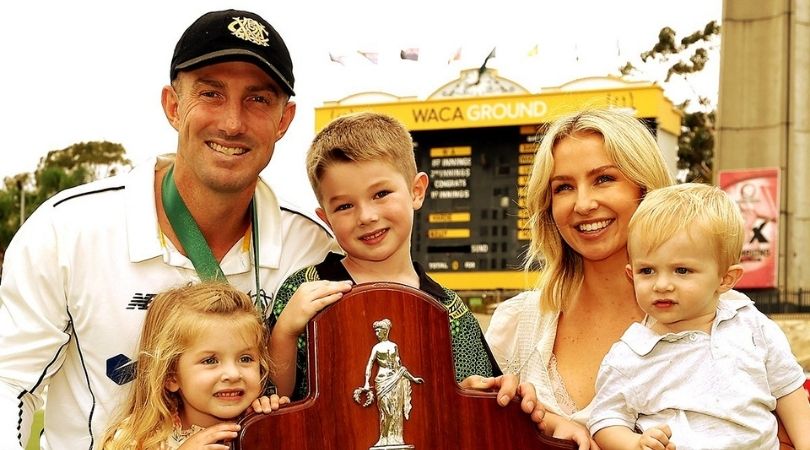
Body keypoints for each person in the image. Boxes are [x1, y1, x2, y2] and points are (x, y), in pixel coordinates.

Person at [0, 9, 338, 450]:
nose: (232, 122)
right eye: (211, 94)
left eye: (258, 99)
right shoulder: (68, 229)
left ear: (284, 119)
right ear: (173, 106)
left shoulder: (310, 246)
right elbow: (11, 383)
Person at [267, 111, 543, 420]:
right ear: (325, 217)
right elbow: (273, 401)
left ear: (417, 190)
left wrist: (481, 391)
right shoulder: (305, 291)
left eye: (381, 194)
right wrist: (285, 333)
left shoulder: (449, 310)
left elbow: (473, 395)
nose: (366, 216)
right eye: (344, 206)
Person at [485, 108, 681, 448]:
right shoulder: (517, 324)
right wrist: (481, 410)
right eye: (563, 187)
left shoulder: (718, 319)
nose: (584, 203)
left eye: (604, 179)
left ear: (645, 187)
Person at [588, 183, 810, 450]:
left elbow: (790, 393)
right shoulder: (630, 354)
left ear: (726, 279)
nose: (662, 285)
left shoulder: (753, 327)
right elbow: (605, 419)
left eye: (681, 270)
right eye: (647, 271)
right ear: (630, 275)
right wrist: (634, 443)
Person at [102, 282, 289, 449]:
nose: (233, 374)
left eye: (246, 359)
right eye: (210, 361)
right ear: (171, 376)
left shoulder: (265, 424)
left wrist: (281, 422)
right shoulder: (136, 439)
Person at [355, 319, 424, 448]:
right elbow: (369, 365)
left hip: (395, 380)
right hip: (382, 381)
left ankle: (395, 438)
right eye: (375, 331)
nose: (376, 334)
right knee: (385, 409)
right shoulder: (376, 348)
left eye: (378, 331)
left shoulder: (394, 346)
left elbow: (400, 367)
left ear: (385, 331)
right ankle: (384, 437)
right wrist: (366, 383)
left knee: (395, 409)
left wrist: (413, 378)